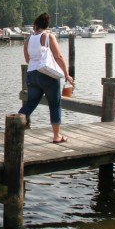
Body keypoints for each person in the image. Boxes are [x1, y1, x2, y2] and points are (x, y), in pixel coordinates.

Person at [18, 12, 74, 143]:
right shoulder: (48, 36)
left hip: (31, 74)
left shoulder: (28, 40)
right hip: (47, 75)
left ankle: (14, 129)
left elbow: (27, 59)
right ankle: (56, 136)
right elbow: (58, 56)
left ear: (35, 25)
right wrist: (66, 74)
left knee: (30, 103)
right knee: (54, 104)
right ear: (46, 25)